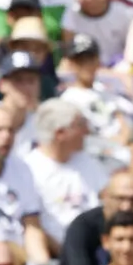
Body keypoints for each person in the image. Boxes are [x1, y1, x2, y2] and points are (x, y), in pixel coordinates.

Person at [24, 98, 108, 246]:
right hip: (57, 250)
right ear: (60, 133)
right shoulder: (29, 169)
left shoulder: (87, 161)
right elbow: (33, 225)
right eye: (80, 125)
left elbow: (107, 197)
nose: (86, 131)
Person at [0, 104, 49, 265]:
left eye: (11, 130)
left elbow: (31, 225)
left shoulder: (21, 169)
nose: (7, 136)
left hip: (17, 262)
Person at [62, 0, 133, 67]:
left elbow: (132, 51)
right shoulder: (71, 13)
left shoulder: (125, 14)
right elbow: (69, 52)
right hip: (86, 69)